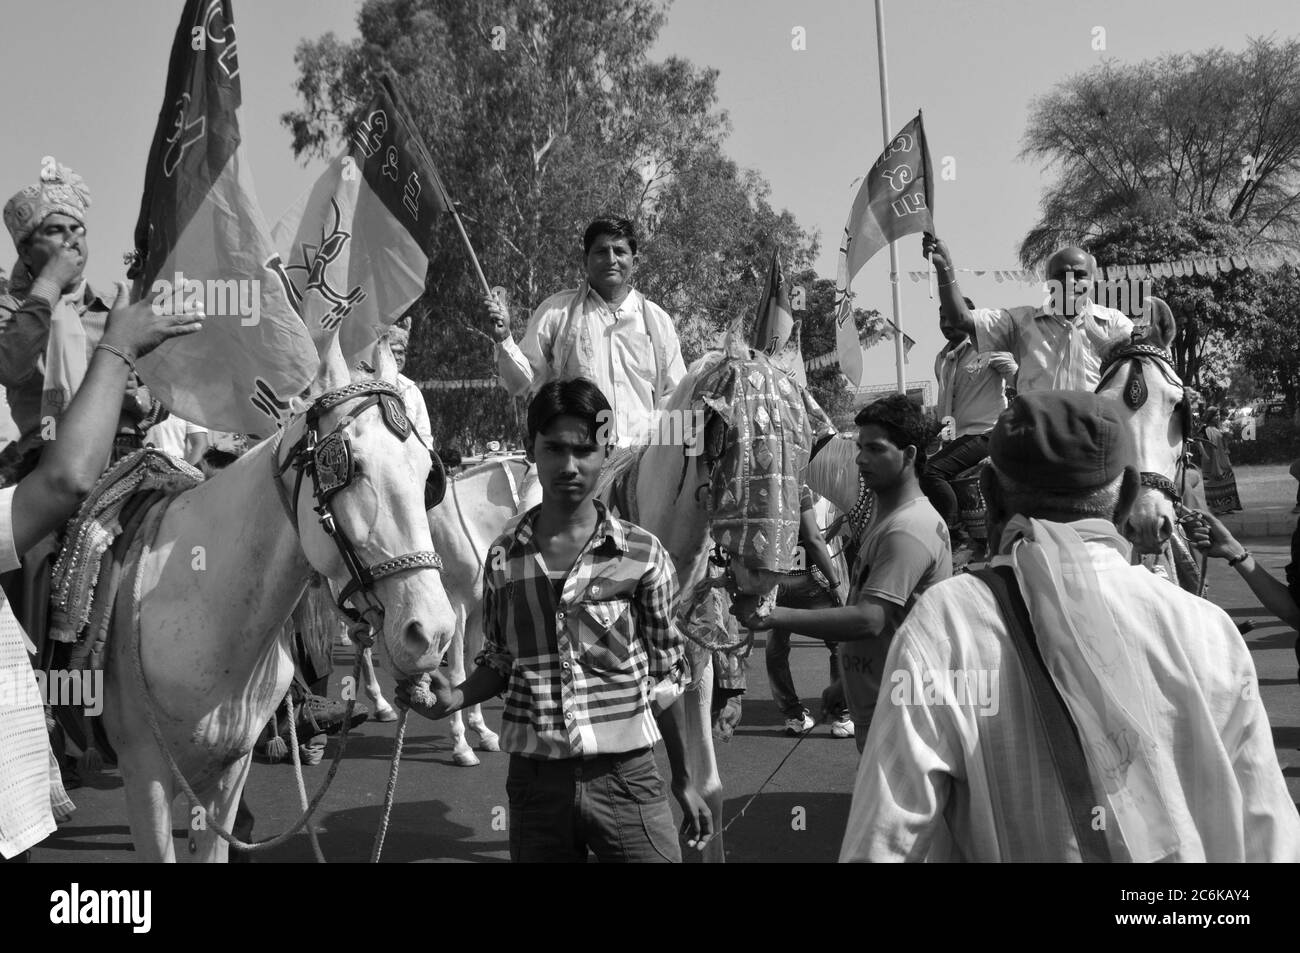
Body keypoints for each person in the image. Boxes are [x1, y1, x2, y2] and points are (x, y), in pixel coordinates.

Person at [840, 391, 1300, 862]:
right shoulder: (1210, 629)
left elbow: (883, 841)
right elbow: (1269, 828)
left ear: (991, 493)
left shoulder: (946, 623)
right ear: (1126, 496)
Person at [396, 377, 711, 862]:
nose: (569, 465)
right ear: (531, 451)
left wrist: (685, 779)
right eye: (554, 448)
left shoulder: (644, 556)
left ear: (606, 451)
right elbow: (500, 660)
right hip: (536, 786)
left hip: (628, 780)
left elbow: (666, 680)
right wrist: (455, 698)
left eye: (584, 449)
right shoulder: (503, 557)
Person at [0, 275, 203, 861]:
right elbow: (59, 467)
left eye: (76, 228)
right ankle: (64, 704)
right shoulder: (19, 308)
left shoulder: (103, 305)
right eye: (54, 229)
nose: (70, 240)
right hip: (41, 464)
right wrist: (111, 345)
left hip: (131, 457)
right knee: (44, 557)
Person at [732, 394, 952, 750]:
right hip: (882, 705)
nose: (861, 459)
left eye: (876, 449)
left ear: (909, 455)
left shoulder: (907, 530)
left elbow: (869, 620)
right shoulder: (892, 521)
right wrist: (846, 683)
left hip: (902, 716)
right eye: (860, 447)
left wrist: (773, 616)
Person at [485, 217, 686, 509]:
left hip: (645, 462)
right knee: (531, 514)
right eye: (601, 251)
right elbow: (523, 383)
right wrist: (504, 339)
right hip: (573, 455)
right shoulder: (557, 311)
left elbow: (674, 396)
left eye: (620, 251)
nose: (611, 259)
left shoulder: (657, 320)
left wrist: (670, 453)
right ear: (586, 259)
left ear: (635, 260)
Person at [922, 233, 1132, 394]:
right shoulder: (1021, 322)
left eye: (1079, 275)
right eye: (1060, 275)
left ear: (1093, 279)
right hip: (1040, 435)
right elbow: (961, 318)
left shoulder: (1114, 324)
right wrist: (945, 267)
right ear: (1047, 280)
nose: (1070, 281)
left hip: (1099, 434)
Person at [922, 296, 1016, 565]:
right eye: (942, 318)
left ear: (969, 317)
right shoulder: (942, 358)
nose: (946, 324)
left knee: (932, 472)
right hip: (956, 436)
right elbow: (945, 407)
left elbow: (1019, 379)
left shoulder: (989, 347)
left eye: (952, 317)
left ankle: (956, 536)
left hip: (987, 433)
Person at [764, 485, 853, 738]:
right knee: (839, 642)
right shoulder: (797, 487)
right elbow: (813, 540)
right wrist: (835, 583)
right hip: (807, 579)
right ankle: (843, 716)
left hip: (773, 580)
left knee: (776, 647)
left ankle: (793, 715)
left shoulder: (762, 486)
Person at [384, 322, 433, 447]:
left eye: (400, 353)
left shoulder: (412, 390)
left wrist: (428, 458)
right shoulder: (370, 387)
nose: (397, 357)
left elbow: (424, 433)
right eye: (391, 352)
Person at [1200, 407, 1242, 514]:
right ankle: (1215, 509)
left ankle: (1228, 507)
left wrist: (1226, 440)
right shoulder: (1204, 428)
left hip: (1222, 459)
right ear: (1210, 416)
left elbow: (1224, 443)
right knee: (1212, 484)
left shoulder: (1219, 428)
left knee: (1228, 479)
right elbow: (1198, 441)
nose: (1217, 417)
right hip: (1210, 461)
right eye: (1215, 415)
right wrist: (1204, 454)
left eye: (1218, 415)